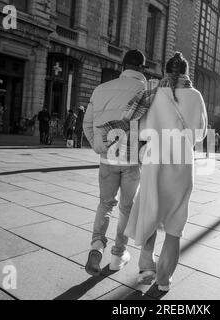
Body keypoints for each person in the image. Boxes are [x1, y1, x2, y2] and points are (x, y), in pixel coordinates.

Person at [124, 52, 208, 292]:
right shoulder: (195, 96)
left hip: (154, 161)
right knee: (175, 225)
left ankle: (146, 263)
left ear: (166, 71)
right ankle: (163, 281)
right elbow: (201, 134)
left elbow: (139, 129)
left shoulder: (155, 94)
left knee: (151, 208)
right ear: (186, 72)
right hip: (182, 164)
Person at [82, 49, 147, 276]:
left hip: (107, 158)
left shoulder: (101, 89)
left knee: (105, 204)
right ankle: (118, 255)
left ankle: (96, 246)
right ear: (141, 68)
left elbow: (87, 123)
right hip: (131, 160)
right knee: (126, 208)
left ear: (123, 66)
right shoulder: (145, 91)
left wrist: (98, 146)